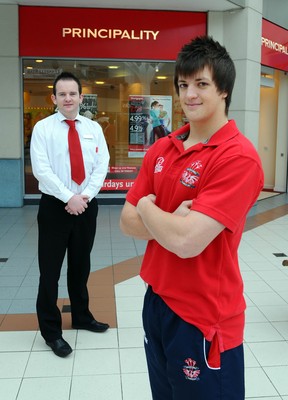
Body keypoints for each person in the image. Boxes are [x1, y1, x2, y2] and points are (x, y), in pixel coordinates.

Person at [120, 36, 264, 399]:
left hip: (203, 317)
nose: (189, 95)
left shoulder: (237, 158)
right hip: (156, 302)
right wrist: (170, 218)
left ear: (224, 90)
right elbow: (126, 222)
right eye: (183, 85)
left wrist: (150, 208)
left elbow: (186, 241)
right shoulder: (162, 148)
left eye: (201, 84)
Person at [30, 71, 110, 358]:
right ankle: (51, 332)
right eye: (62, 94)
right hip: (55, 207)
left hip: (86, 207)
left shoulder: (93, 128)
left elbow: (102, 164)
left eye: (72, 93)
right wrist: (69, 197)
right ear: (54, 98)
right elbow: (41, 170)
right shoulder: (43, 128)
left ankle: (82, 316)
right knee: (49, 272)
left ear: (80, 97)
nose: (67, 98)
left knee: (80, 266)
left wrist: (84, 196)